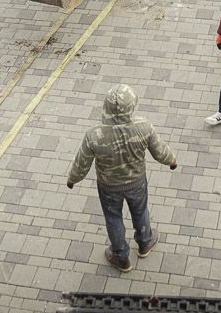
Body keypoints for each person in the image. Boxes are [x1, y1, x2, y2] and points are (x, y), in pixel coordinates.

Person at [66, 84, 177, 273]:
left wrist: (72, 179)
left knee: (113, 218)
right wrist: (171, 161)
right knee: (140, 211)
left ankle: (121, 256)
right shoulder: (143, 126)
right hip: (136, 182)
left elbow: (81, 163)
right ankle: (145, 242)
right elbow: (160, 151)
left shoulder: (94, 135)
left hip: (108, 186)